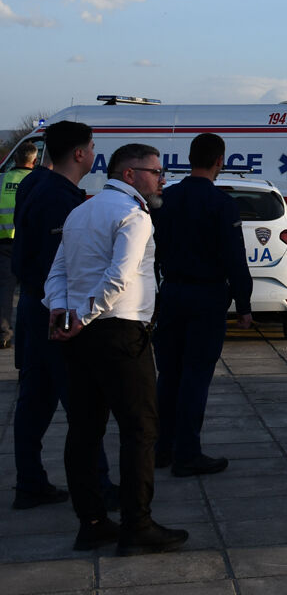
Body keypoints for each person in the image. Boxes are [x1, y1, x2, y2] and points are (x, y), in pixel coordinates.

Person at [44, 143, 188, 556]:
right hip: (120, 335)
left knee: (85, 430)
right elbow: (118, 278)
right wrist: (81, 316)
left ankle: (91, 522)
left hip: (81, 336)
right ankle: (136, 524)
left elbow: (58, 271)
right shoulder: (133, 215)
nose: (161, 178)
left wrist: (62, 310)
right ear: (129, 174)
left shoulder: (81, 211)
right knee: (139, 430)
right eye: (155, 171)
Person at [11, 122, 116, 511]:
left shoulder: (33, 185)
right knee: (83, 405)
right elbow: (61, 264)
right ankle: (99, 488)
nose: (93, 153)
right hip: (54, 309)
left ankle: (29, 482)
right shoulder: (60, 199)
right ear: (78, 154)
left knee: (35, 400)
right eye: (91, 147)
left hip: (33, 306)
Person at [151, 134, 253, 477]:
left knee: (168, 375)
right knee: (195, 377)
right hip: (206, 298)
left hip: (171, 294)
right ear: (219, 161)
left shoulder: (166, 198)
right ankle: (187, 453)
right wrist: (244, 304)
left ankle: (161, 448)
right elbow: (235, 259)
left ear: (190, 158)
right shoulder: (221, 204)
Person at [0, 141, 37, 349]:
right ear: (34, 160)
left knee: (5, 291)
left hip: (4, 243)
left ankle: (4, 334)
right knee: (31, 291)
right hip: (30, 242)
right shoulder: (36, 180)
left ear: (15, 158)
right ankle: (30, 334)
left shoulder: (2, 179)